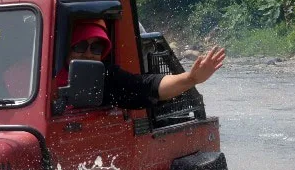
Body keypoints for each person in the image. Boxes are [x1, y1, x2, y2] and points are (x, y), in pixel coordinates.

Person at [59, 20, 225, 108]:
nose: (88, 54)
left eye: (96, 48)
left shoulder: (105, 77)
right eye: (80, 46)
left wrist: (191, 78)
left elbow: (146, 86)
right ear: (65, 48)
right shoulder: (40, 75)